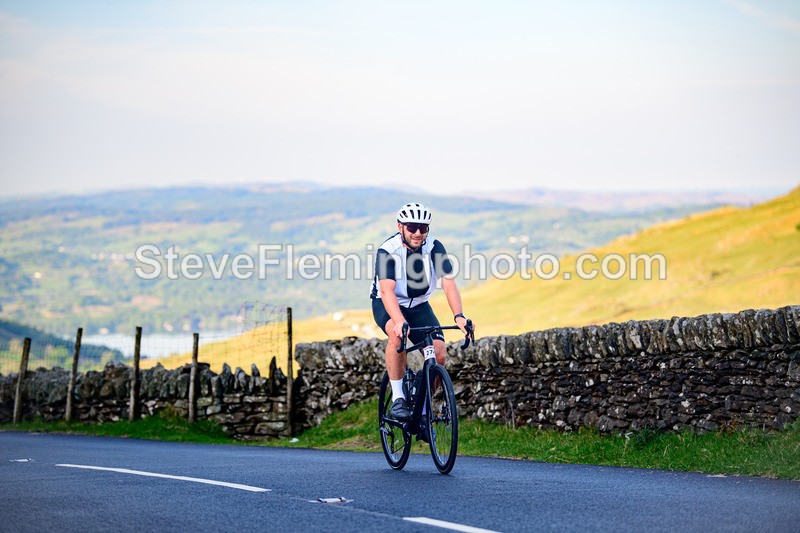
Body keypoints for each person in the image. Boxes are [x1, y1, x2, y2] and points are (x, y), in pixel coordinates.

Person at [370, 202, 473, 427]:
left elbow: (448, 282)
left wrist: (459, 316)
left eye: (423, 228)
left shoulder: (434, 247)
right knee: (397, 337)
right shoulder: (388, 250)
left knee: (439, 353)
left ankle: (423, 411)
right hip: (388, 304)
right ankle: (398, 398)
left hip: (419, 306)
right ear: (401, 227)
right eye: (412, 227)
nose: (418, 233)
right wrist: (398, 322)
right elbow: (386, 291)